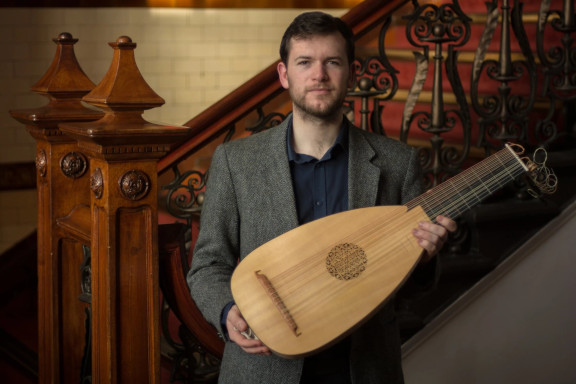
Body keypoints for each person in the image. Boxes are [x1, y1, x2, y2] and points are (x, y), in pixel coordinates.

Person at [187, 11, 457, 384]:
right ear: (284, 75)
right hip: (264, 367)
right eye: (304, 63)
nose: (319, 75)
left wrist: (424, 259)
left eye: (332, 62)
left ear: (351, 72)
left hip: (361, 368)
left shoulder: (397, 162)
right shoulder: (237, 162)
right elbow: (207, 265)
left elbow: (406, 290)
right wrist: (227, 310)